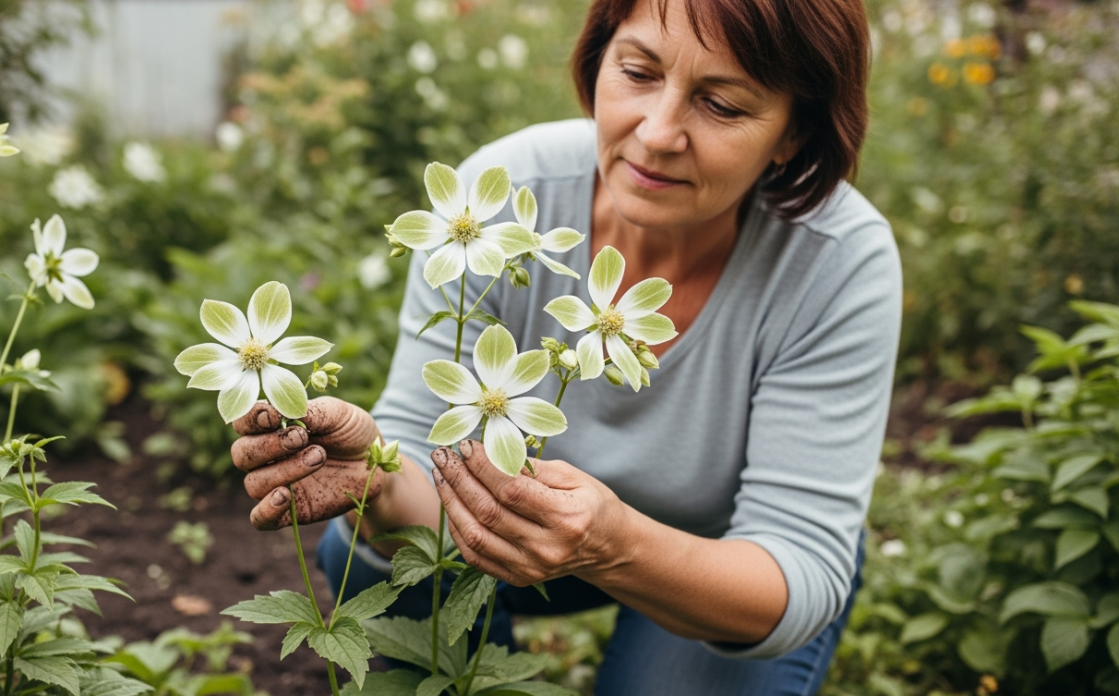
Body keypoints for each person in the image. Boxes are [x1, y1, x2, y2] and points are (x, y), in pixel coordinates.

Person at [229, 0, 901, 692]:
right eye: (638, 72)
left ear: (794, 131)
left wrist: (613, 545)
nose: (659, 132)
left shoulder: (835, 262)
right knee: (362, 548)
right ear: (598, 56)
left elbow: (797, 567)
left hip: (717, 566)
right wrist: (382, 485)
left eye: (723, 106)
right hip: (512, 532)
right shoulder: (498, 204)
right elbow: (417, 453)